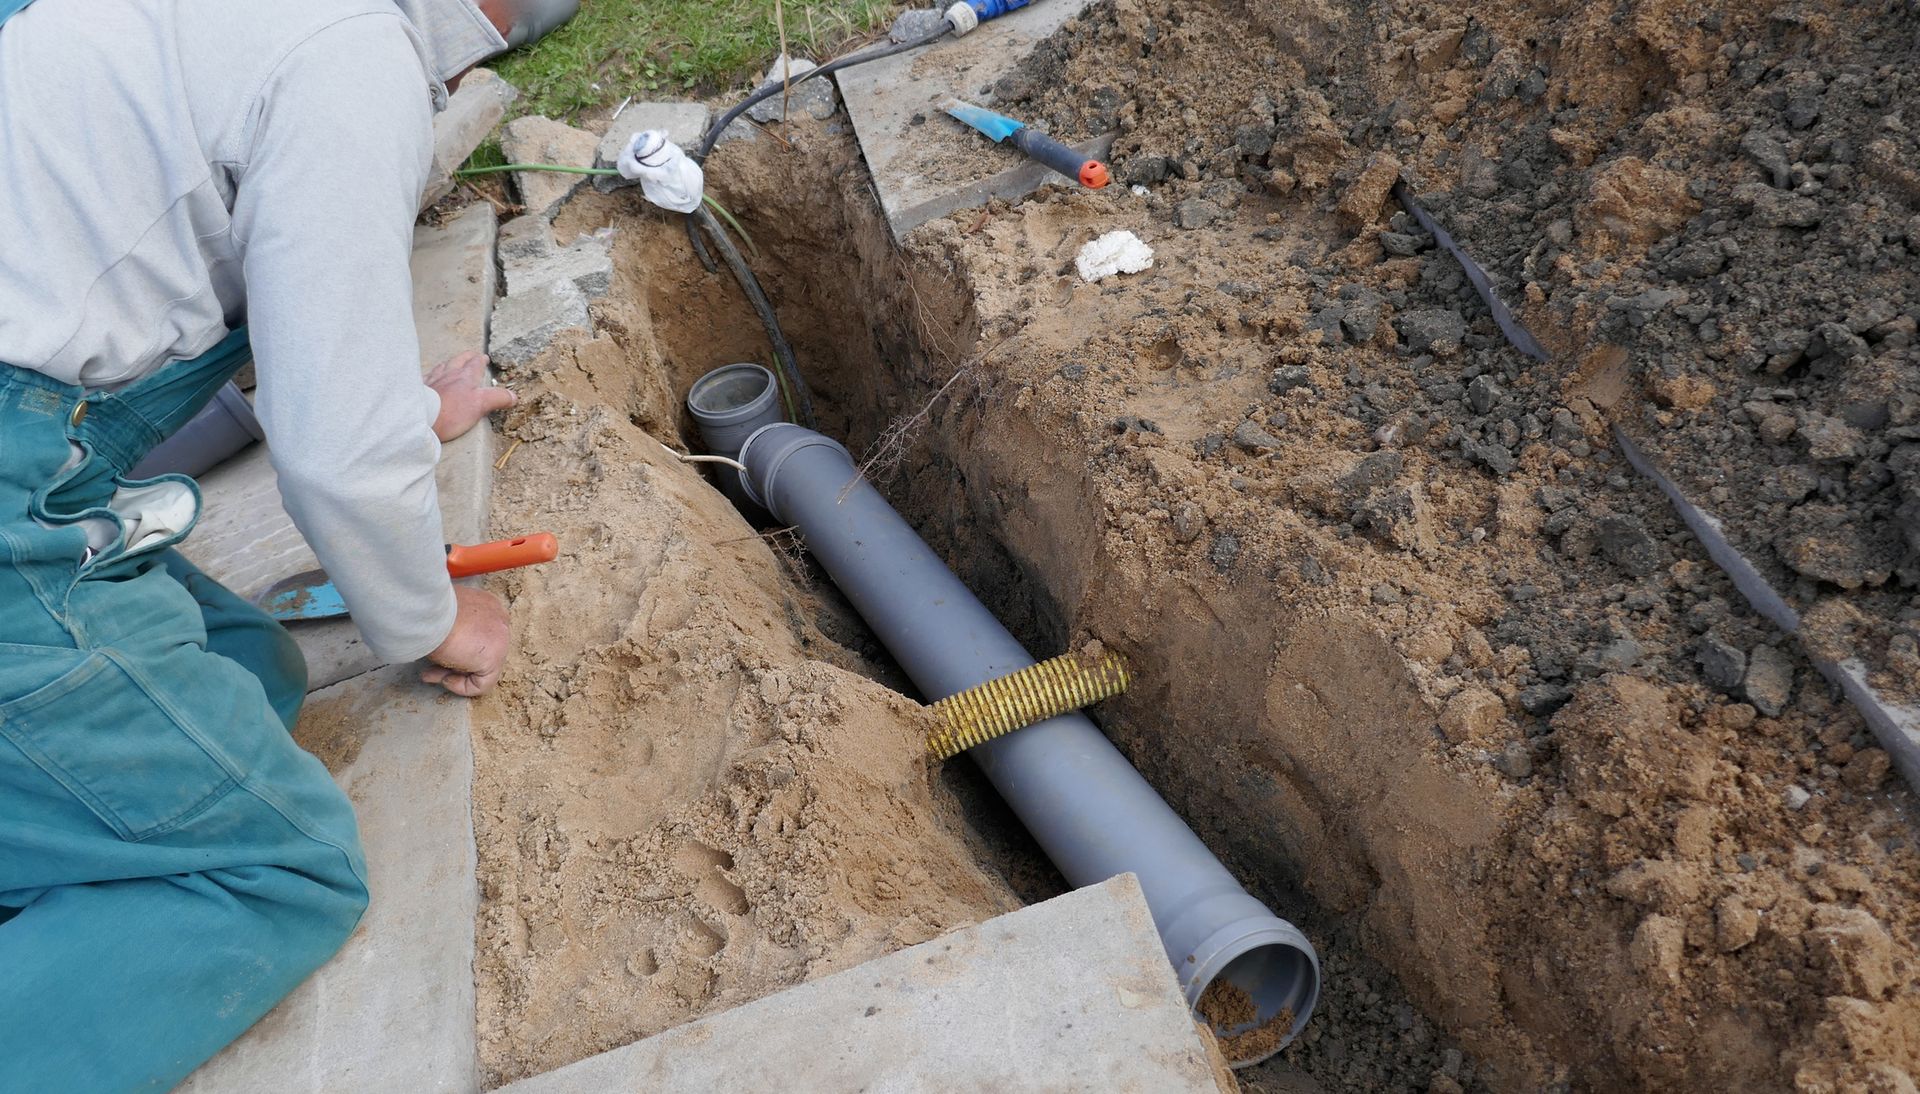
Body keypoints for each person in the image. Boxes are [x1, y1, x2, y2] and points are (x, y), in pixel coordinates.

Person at [0, 0, 540, 1087]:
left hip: (43, 454)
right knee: (277, 869)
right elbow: (337, 455)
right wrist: (432, 616)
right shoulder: (345, 56)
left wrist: (394, 408)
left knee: (253, 664)